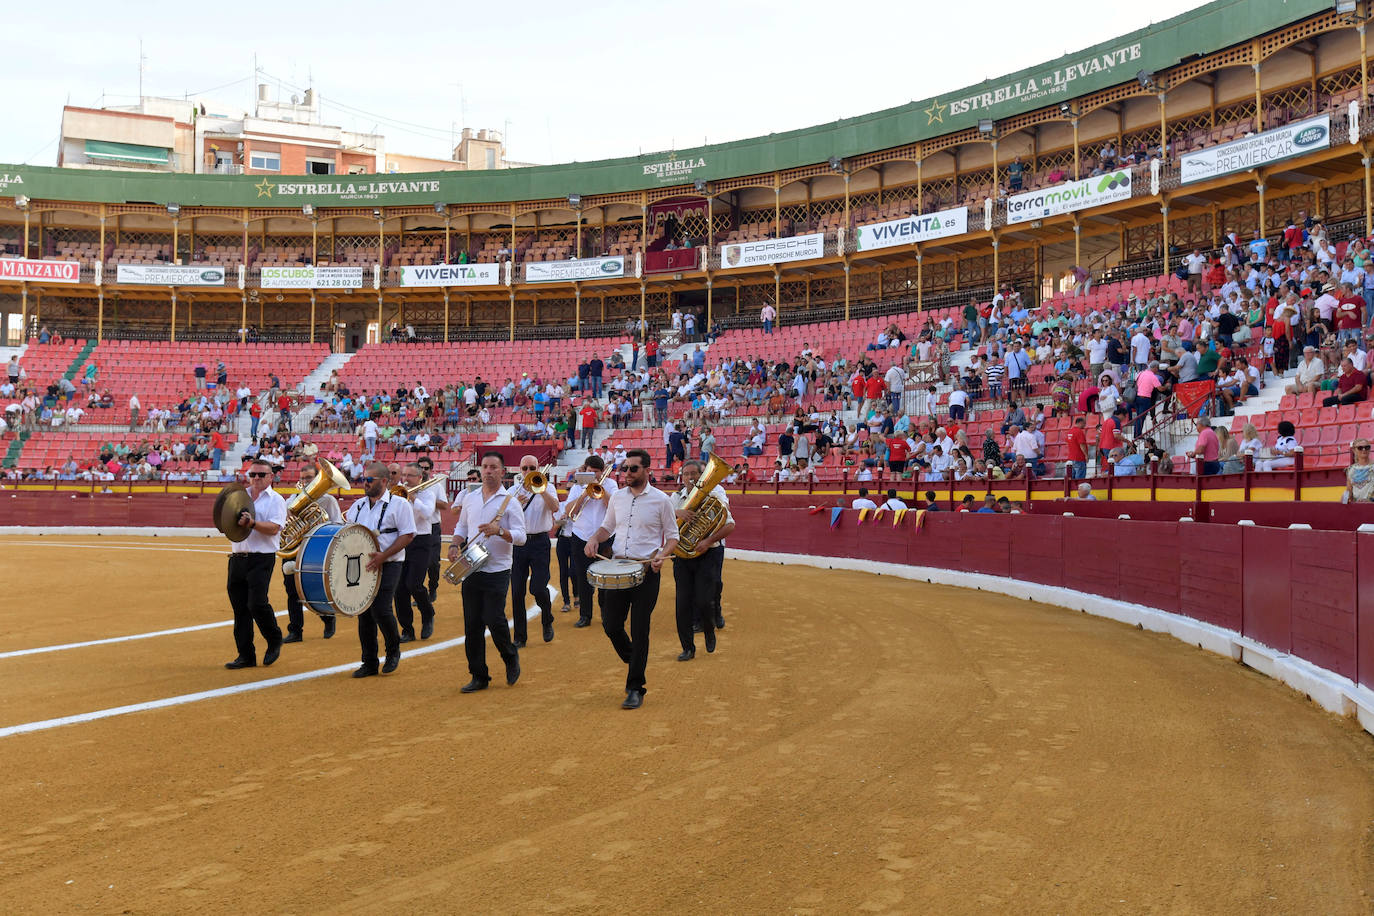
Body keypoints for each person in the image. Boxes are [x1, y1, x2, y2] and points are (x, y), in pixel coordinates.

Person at [583, 448, 679, 709]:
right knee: (611, 625)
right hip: (617, 568)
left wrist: (662, 554)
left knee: (640, 629)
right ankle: (634, 657)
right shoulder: (616, 497)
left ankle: (635, 687)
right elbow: (607, 527)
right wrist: (594, 538)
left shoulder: (662, 500)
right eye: (624, 468)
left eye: (633, 469)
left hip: (646, 571)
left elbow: (673, 536)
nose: (627, 473)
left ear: (647, 470)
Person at [451, 451, 527, 693]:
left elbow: (522, 537)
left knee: (494, 619)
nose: (488, 471)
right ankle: (479, 675)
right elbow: (462, 526)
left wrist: (500, 531)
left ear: (503, 472)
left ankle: (509, 656)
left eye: (494, 467)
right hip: (472, 567)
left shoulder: (511, 502)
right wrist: (454, 544)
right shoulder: (470, 498)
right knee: (472, 624)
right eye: (485, 466)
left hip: (498, 569)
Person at [343, 461, 416, 678]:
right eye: (363, 479)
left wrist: (383, 556)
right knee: (364, 613)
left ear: (384, 481)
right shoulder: (357, 506)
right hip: (363, 565)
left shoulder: (400, 504)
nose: (364, 483)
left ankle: (393, 651)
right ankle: (369, 662)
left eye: (369, 479)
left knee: (381, 609)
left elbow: (408, 535)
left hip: (390, 563)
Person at [223, 460, 288, 670]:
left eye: (261, 475)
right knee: (240, 609)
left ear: (271, 477)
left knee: (257, 604)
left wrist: (251, 523)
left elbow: (274, 528)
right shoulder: (239, 497)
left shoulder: (276, 500)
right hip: (237, 558)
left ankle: (274, 638)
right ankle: (246, 656)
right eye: (253, 475)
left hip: (262, 558)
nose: (256, 478)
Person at [672, 459, 735, 661]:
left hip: (708, 554)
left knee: (704, 599)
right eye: (686, 474)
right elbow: (661, 521)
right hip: (681, 556)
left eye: (694, 474)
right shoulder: (675, 498)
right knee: (682, 604)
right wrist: (676, 512)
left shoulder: (714, 495)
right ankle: (687, 648)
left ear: (702, 476)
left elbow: (730, 525)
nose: (690, 478)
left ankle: (709, 628)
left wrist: (707, 541)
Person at [281, 463, 342, 644]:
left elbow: (337, 525)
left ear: (316, 479)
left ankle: (328, 618)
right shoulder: (291, 500)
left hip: (316, 550)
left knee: (314, 589)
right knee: (292, 591)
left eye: (309, 478)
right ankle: (295, 630)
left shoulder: (328, 500)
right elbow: (284, 527)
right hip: (294, 550)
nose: (305, 481)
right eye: (302, 478)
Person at [511, 454, 560, 646]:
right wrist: (517, 503)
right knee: (517, 592)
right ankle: (520, 637)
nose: (528, 471)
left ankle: (547, 618)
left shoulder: (548, 487)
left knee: (538, 588)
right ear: (520, 470)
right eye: (525, 468)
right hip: (518, 544)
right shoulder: (512, 491)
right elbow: (504, 518)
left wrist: (541, 490)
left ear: (538, 469)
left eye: (532, 468)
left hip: (540, 542)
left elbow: (555, 507)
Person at [564, 455, 618, 628]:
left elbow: (615, 507)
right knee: (582, 577)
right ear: (585, 470)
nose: (593, 475)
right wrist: (584, 494)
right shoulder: (577, 486)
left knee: (605, 577)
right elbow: (568, 511)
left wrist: (600, 489)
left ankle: (605, 613)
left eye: (596, 472)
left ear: (602, 472)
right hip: (581, 536)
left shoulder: (611, 484)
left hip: (606, 537)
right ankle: (585, 615)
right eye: (590, 472)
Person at [394, 463, 440, 643]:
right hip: (401, 540)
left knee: (414, 584)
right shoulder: (397, 492)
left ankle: (428, 614)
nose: (406, 479)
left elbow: (427, 514)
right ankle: (407, 629)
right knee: (399, 588)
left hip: (421, 540)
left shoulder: (427, 493)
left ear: (419, 478)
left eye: (410, 475)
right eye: (404, 475)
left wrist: (412, 498)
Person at [1344, 438, 1374, 503]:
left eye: (1367, 447)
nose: (1364, 450)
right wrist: (1344, 500)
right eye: (1360, 448)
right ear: (1354, 450)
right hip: (1357, 507)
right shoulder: (1351, 469)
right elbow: (1349, 490)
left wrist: (1370, 501)